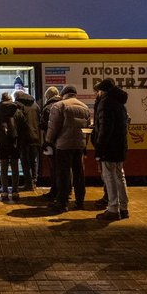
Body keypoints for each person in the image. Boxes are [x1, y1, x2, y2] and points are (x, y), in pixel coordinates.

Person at [45, 84, 91, 213]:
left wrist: (48, 141)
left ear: (63, 94)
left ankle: (62, 202)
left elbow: (53, 127)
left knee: (63, 174)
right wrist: (84, 145)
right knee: (79, 174)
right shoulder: (85, 108)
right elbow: (87, 129)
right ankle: (80, 201)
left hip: (63, 146)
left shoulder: (59, 106)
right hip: (79, 145)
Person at [91, 78, 130, 221]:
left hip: (109, 147)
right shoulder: (119, 102)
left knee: (110, 177)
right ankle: (124, 208)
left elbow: (104, 129)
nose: (97, 94)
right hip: (120, 146)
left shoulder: (105, 103)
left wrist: (99, 148)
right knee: (120, 176)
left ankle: (113, 209)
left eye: (98, 91)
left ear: (103, 91)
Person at [0, 92, 24, 201]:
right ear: (10, 99)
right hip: (14, 141)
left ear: (1, 99)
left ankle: (4, 191)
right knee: (15, 167)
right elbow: (23, 124)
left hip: (2, 142)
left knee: (4, 167)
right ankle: (15, 191)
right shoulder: (17, 110)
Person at [14, 90, 42, 191]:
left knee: (25, 161)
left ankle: (28, 183)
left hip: (24, 137)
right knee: (34, 160)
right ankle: (34, 181)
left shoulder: (18, 105)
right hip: (36, 136)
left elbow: (17, 121)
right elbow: (40, 120)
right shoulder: (35, 105)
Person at [38, 86, 61, 199]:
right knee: (64, 167)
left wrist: (46, 142)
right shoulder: (63, 104)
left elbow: (43, 125)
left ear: (47, 97)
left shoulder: (47, 108)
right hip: (63, 142)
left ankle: (55, 191)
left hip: (51, 142)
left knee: (54, 167)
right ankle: (65, 190)